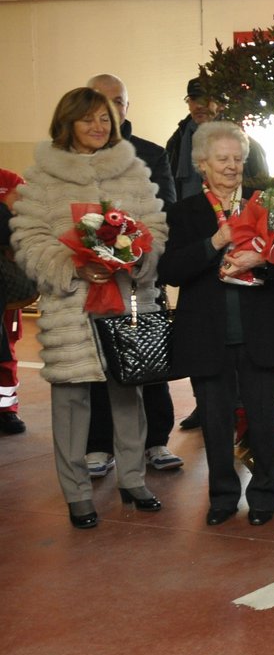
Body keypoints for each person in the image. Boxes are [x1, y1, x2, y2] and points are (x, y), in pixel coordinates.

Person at [10, 88, 167, 529]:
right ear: (68, 124)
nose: (99, 127)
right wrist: (74, 267)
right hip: (70, 307)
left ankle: (133, 479)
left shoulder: (132, 170)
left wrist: (136, 256)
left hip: (126, 300)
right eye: (88, 120)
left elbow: (154, 227)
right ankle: (77, 494)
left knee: (127, 394)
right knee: (72, 400)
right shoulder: (43, 178)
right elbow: (28, 240)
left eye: (105, 118)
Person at [159, 121, 274, 526]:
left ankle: (263, 495)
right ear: (201, 163)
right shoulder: (184, 212)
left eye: (237, 159)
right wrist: (216, 242)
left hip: (261, 331)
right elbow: (171, 269)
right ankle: (222, 497)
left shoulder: (267, 204)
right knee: (216, 422)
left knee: (262, 419)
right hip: (207, 335)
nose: (231, 167)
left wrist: (263, 259)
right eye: (221, 159)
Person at [83, 73, 181, 477]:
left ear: (127, 108)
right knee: (96, 361)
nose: (110, 111)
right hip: (91, 279)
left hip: (139, 275)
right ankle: (98, 445)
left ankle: (156, 441)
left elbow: (165, 212)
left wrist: (132, 248)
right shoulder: (74, 156)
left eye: (118, 102)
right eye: (100, 103)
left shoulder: (151, 154)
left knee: (150, 354)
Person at [166, 78, 269, 200]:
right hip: (188, 214)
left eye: (205, 99)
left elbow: (261, 187)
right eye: (193, 100)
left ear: (221, 105)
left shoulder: (245, 144)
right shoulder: (176, 142)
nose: (198, 105)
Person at [0, 170, 26, 435]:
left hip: (5, 282)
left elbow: (24, 225)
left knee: (5, 347)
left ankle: (6, 410)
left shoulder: (9, 181)